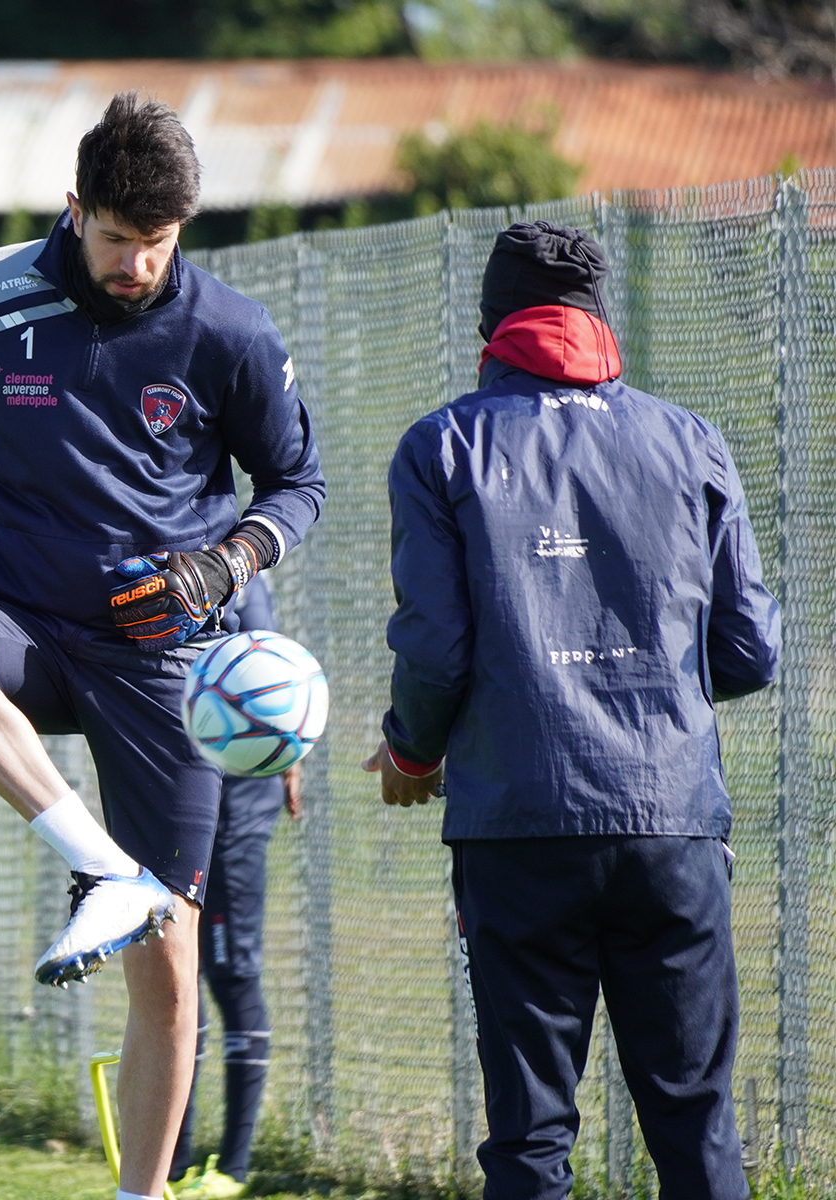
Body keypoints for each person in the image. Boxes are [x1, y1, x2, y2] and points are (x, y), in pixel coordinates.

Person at [0, 93, 324, 1200]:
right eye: (115, 240)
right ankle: (98, 864)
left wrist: (220, 567)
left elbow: (297, 486)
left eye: (158, 244)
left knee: (169, 965)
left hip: (161, 663)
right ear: (72, 208)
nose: (138, 265)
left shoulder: (231, 331)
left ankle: (138, 1194)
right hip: (26, 629)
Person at [363, 221, 780, 1199]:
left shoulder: (443, 445)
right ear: (598, 321)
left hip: (517, 828)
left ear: (489, 326)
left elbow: (435, 648)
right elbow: (749, 651)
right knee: (693, 1123)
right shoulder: (692, 442)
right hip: (671, 824)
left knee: (530, 1135)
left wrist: (409, 755)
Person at [170, 572, 301, 1200]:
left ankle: (235, 1168)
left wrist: (286, 752)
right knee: (174, 974)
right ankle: (173, 1164)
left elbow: (268, 672)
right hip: (176, 784)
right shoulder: (137, 538)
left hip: (239, 794)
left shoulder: (238, 560)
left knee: (230, 972)